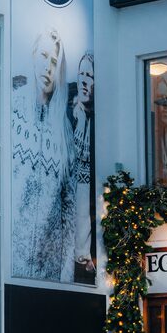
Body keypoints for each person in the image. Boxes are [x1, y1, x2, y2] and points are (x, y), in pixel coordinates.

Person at [12, 27, 73, 281]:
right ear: (33, 55)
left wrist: (67, 269)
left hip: (49, 268)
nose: (47, 67)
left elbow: (69, 202)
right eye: (44, 56)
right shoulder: (12, 110)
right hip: (12, 260)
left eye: (54, 62)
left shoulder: (63, 128)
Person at [69, 52, 95, 282]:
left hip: (86, 187)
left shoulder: (95, 119)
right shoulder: (68, 111)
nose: (85, 81)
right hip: (70, 185)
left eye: (90, 76)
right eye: (82, 75)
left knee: (84, 213)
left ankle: (83, 255)